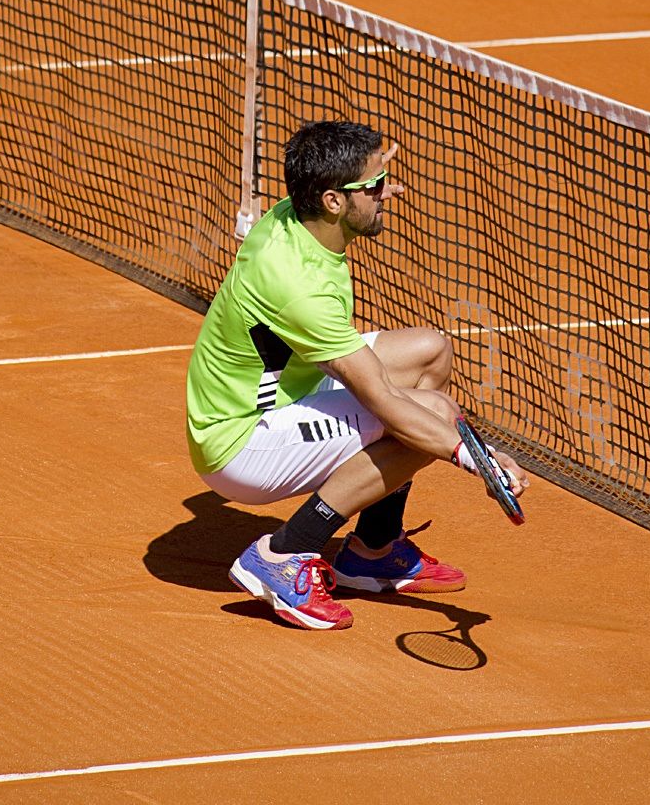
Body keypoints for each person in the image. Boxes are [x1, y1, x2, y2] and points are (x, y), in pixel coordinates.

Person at [186, 120, 529, 631]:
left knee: (431, 353)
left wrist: (370, 178)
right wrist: (474, 456)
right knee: (429, 416)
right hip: (242, 441)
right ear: (332, 201)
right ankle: (284, 553)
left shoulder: (292, 217)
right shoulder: (301, 290)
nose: (388, 192)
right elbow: (387, 400)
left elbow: (391, 384)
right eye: (374, 186)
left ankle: (373, 548)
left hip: (287, 382)